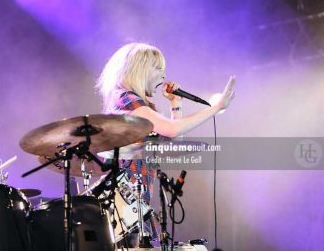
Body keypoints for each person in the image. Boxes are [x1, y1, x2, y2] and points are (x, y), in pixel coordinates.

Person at [96, 42, 236, 245]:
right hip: (123, 200)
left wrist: (176, 103)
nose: (163, 75)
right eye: (157, 68)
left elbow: (174, 142)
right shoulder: (126, 98)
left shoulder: (140, 105)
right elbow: (172, 129)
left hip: (136, 201)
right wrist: (216, 107)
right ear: (140, 70)